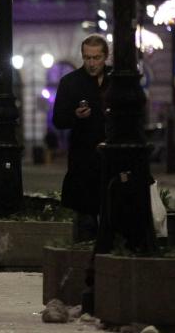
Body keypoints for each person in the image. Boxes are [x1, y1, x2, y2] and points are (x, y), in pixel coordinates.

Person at [52, 34, 110, 242]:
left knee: (112, 215)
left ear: (106, 56)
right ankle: (84, 263)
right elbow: (58, 119)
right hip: (83, 160)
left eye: (97, 58)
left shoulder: (116, 79)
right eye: (87, 58)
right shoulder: (70, 82)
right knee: (85, 220)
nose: (92, 63)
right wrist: (75, 116)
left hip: (112, 159)